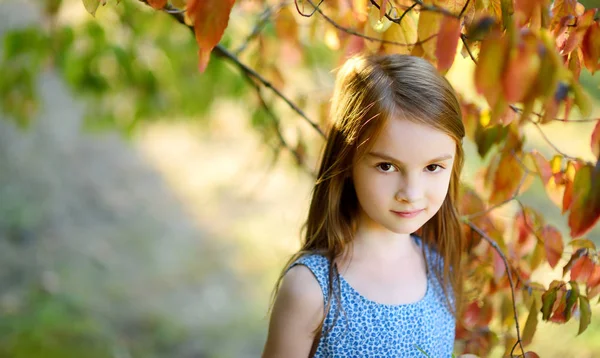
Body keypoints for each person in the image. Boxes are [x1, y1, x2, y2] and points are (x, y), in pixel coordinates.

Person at [262, 53, 466, 358]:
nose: (411, 192)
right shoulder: (312, 290)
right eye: (386, 166)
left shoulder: (438, 270)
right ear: (346, 161)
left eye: (433, 167)